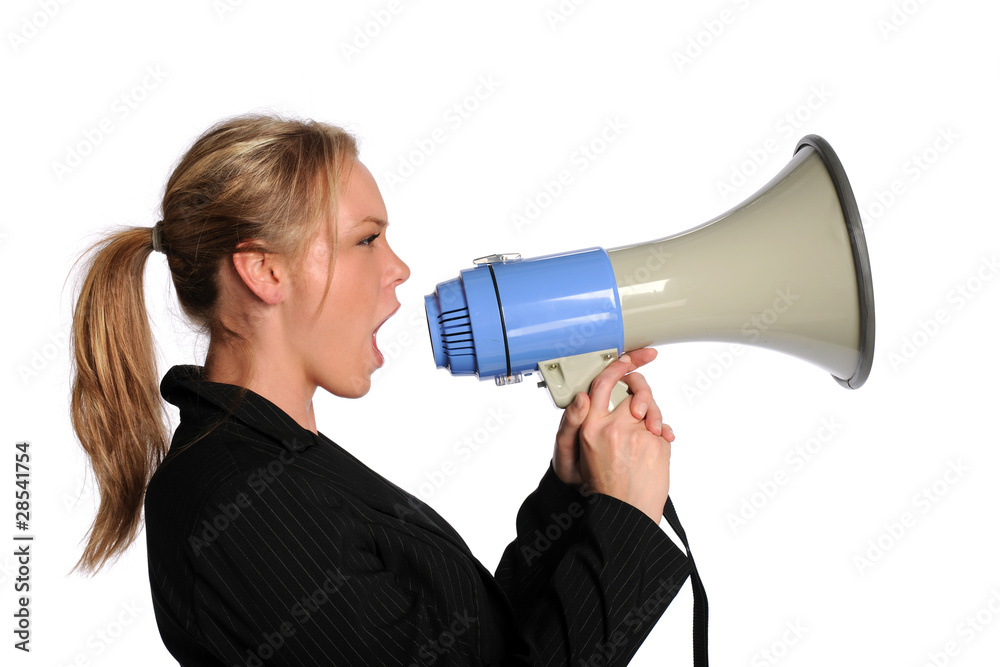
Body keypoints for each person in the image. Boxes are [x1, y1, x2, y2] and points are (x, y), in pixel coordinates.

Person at [70, 114, 705, 666]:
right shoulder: (236, 505)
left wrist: (577, 499)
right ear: (264, 270)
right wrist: (625, 519)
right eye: (366, 239)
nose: (398, 268)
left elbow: (483, 649)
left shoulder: (279, 467)